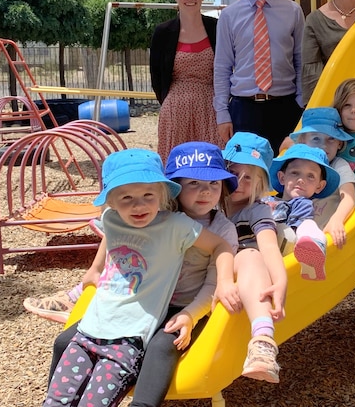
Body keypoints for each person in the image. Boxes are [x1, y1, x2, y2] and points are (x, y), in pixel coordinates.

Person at [43, 143, 240, 407]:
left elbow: (217, 267)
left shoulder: (194, 227)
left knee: (160, 346)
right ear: (175, 186)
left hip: (181, 305)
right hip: (137, 302)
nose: (204, 191)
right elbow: (116, 232)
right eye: (193, 182)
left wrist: (193, 313)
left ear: (159, 192)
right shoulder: (152, 214)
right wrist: (96, 268)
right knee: (64, 341)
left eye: (214, 184)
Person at [213, 0, 305, 154]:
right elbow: (222, 67)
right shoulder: (228, 16)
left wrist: (301, 103)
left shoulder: (293, 11)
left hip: (285, 107)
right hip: (244, 109)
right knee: (246, 177)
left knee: (284, 174)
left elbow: (301, 60)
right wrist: (222, 114)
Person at [222, 132, 287, 383]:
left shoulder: (256, 210)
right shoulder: (210, 203)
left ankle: (263, 341)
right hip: (212, 275)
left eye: (248, 177)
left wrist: (280, 281)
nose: (239, 181)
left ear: (260, 184)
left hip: (246, 275)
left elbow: (268, 247)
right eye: (234, 171)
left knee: (249, 254)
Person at [150, 0, 220, 162]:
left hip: (211, 109)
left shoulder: (217, 28)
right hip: (175, 110)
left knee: (210, 163)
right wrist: (171, 104)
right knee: (178, 164)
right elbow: (156, 77)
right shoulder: (162, 32)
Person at [283, 107, 355, 250]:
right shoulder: (296, 164)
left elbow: (349, 197)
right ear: (303, 140)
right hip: (291, 237)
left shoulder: (338, 165)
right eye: (316, 138)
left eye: (331, 139)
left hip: (323, 237)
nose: (324, 145)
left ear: (339, 143)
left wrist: (337, 219)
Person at [266, 144, 339, 281]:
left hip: (281, 251)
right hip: (255, 246)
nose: (301, 180)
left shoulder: (302, 204)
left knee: (306, 225)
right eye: (295, 173)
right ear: (282, 177)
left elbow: (291, 234)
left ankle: (313, 249)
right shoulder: (265, 200)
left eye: (310, 176)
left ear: (319, 186)